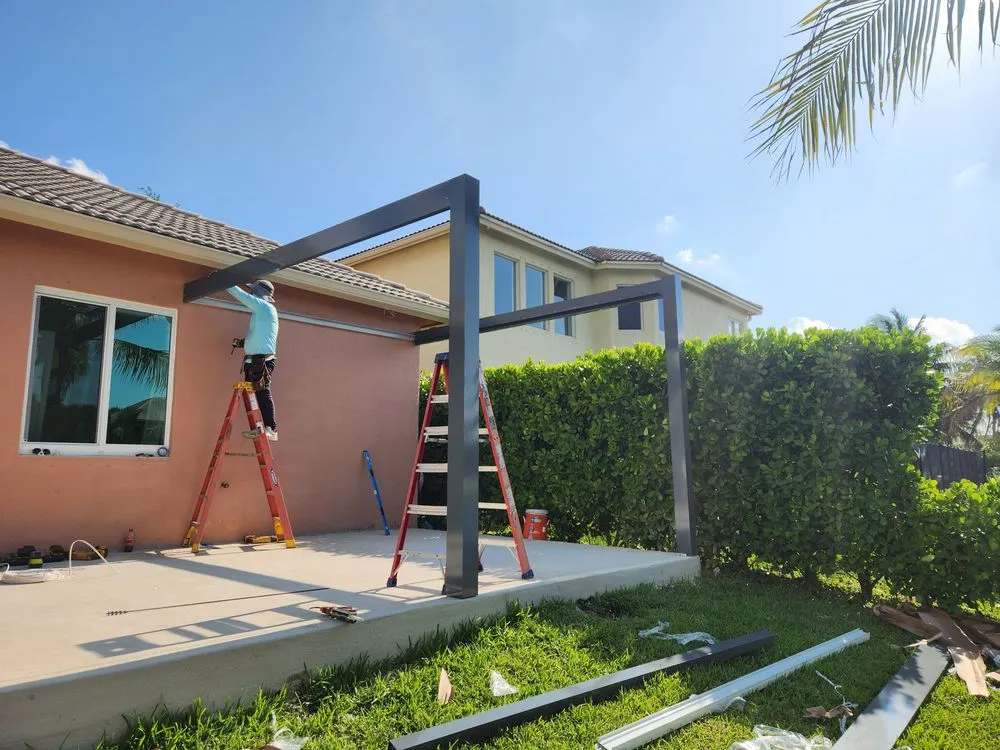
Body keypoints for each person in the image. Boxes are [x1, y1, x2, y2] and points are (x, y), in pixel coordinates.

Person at [226, 280, 280, 441]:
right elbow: (259, 337)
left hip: (261, 361)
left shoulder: (265, 307)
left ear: (259, 294)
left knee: (263, 393)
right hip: (253, 361)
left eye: (253, 292)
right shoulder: (260, 313)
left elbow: (241, 296)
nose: (250, 294)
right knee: (254, 396)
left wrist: (225, 282)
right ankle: (260, 428)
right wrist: (243, 343)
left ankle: (272, 429)